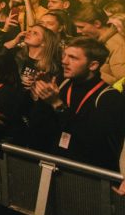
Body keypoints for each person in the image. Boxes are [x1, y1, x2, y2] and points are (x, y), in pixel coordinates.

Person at [28, 38, 125, 171]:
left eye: (73, 58)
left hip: (86, 175)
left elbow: (91, 143)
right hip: (55, 164)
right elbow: (38, 129)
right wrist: (42, 99)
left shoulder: (110, 98)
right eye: (64, 55)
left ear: (93, 65)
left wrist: (58, 105)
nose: (64, 61)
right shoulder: (62, 84)